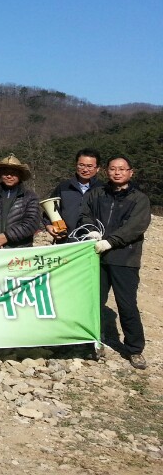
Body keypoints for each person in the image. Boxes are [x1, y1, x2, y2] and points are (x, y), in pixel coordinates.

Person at [79, 155, 150, 370]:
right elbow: (85, 214)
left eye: (122, 169)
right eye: (112, 169)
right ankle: (93, 341)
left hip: (125, 258)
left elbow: (135, 227)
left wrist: (111, 241)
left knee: (127, 305)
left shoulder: (139, 199)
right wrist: (91, 230)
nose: (117, 173)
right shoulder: (97, 193)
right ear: (106, 171)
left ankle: (134, 349)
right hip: (97, 258)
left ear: (130, 172)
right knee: (93, 302)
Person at [0, 154, 40, 249]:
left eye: (13, 173)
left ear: (20, 175)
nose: (9, 176)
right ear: (0, 174)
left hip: (19, 249)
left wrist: (6, 236)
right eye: (5, 173)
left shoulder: (30, 197)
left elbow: (32, 222)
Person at [47, 149, 102, 238]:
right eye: (81, 165)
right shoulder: (64, 187)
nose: (85, 169)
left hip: (95, 239)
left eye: (90, 166)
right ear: (75, 165)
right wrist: (48, 225)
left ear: (98, 168)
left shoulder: (103, 189)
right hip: (66, 239)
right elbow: (50, 210)